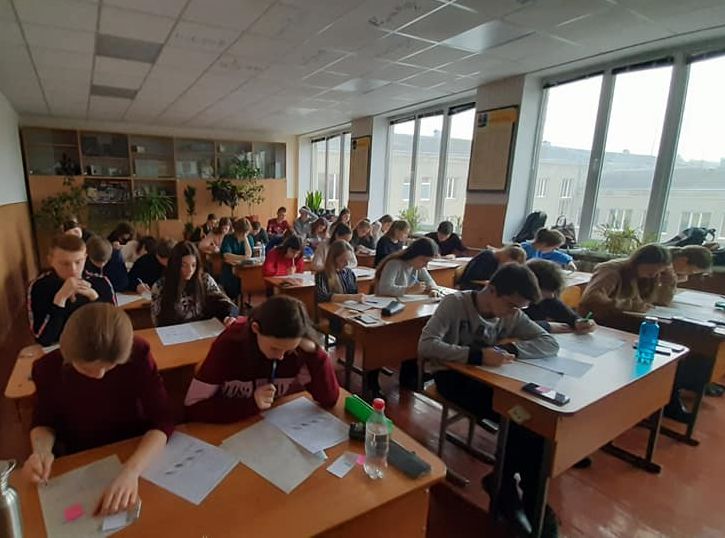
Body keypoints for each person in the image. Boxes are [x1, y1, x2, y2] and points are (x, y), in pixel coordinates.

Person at [418, 264, 560, 536]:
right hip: (452, 378)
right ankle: (509, 490)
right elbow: (426, 345)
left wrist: (509, 348)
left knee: (533, 422)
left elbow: (548, 342)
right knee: (518, 421)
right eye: (511, 305)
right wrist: (478, 355)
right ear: (491, 290)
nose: (513, 312)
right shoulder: (455, 304)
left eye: (519, 308)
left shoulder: (511, 312)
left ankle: (527, 497)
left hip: (492, 381)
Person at [22, 303, 173, 516]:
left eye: (110, 367)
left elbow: (163, 420)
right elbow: (43, 422)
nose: (100, 375)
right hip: (82, 455)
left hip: (133, 447)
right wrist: (41, 451)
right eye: (87, 368)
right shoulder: (47, 368)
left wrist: (131, 471)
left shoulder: (138, 353)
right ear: (67, 355)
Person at [184, 295, 339, 423]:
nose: (281, 357)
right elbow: (193, 406)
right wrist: (251, 403)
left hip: (272, 428)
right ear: (256, 329)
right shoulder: (229, 345)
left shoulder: (300, 350)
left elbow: (329, 399)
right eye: (275, 348)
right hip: (234, 428)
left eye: (288, 350)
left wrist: (315, 352)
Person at [28, 234, 115, 346]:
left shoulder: (101, 283)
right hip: (60, 349)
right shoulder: (39, 286)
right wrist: (60, 299)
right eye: (65, 264)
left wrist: (95, 298)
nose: (73, 270)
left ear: (85, 258)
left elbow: (115, 329)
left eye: (78, 262)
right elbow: (43, 339)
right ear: (51, 261)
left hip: (97, 347)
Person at [151, 241, 238, 327]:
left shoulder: (205, 280)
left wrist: (229, 316)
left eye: (193, 265)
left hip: (202, 329)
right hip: (174, 332)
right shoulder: (160, 286)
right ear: (175, 264)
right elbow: (157, 321)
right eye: (184, 265)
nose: (190, 270)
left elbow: (225, 302)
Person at [579, 243, 673, 320]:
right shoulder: (611, 271)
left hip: (627, 319)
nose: (653, 275)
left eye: (659, 272)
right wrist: (630, 305)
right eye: (651, 270)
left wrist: (668, 284)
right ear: (638, 262)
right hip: (600, 321)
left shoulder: (651, 276)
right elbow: (591, 300)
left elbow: (660, 303)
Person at [525, 259, 596, 334]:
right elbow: (518, 325)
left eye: (553, 291)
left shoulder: (547, 300)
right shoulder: (518, 302)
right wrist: (547, 326)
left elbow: (567, 315)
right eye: (546, 290)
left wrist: (578, 322)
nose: (552, 296)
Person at [458, 245, 527, 290]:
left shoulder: (497, 261)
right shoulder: (487, 257)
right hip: (470, 287)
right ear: (508, 256)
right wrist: (491, 283)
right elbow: (471, 278)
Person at [219, 218, 254, 301]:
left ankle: (241, 299)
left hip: (244, 269)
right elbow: (226, 255)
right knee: (233, 284)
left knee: (251, 279)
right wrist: (243, 257)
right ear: (237, 231)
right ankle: (232, 299)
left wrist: (245, 239)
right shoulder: (228, 238)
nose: (244, 234)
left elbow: (249, 254)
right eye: (242, 232)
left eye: (246, 232)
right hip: (230, 269)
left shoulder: (249, 238)